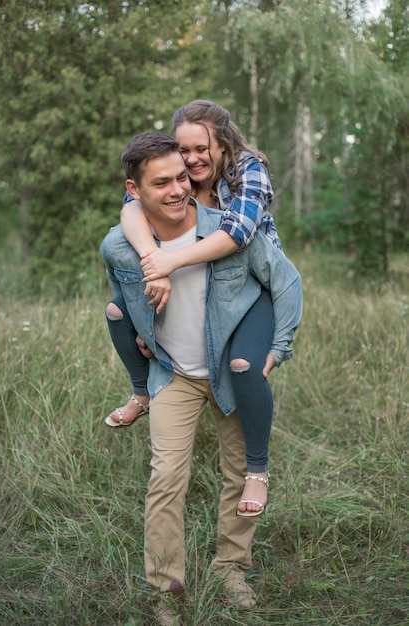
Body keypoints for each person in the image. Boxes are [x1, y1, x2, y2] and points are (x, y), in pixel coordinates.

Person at [100, 131, 302, 624]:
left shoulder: (227, 233)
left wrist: (278, 347)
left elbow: (286, 280)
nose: (177, 189)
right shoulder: (119, 246)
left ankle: (231, 569)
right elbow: (120, 301)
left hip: (228, 371)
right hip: (174, 375)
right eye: (161, 182)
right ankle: (167, 590)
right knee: (166, 479)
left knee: (239, 474)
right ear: (135, 190)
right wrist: (143, 332)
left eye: (182, 178)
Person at [106, 100, 285, 518]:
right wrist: (156, 264)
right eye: (183, 149)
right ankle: (140, 388)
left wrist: (168, 263)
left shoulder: (247, 170)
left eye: (201, 148)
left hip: (244, 290)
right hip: (185, 293)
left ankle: (256, 476)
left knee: (241, 366)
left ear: (223, 144)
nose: (191, 159)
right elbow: (131, 209)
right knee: (117, 312)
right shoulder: (173, 175)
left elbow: (238, 233)